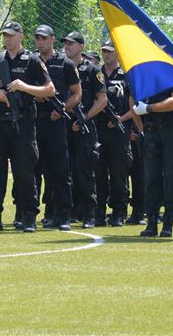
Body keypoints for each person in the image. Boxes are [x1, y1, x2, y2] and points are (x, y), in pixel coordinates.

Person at [0, 22, 54, 232]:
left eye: (11, 35)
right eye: (5, 35)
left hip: (23, 122)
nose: (7, 39)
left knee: (25, 172)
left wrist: (24, 87)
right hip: (0, 122)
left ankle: (29, 215)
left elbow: (50, 89)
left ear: (20, 36)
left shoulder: (32, 60)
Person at [33, 25, 80, 230]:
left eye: (43, 38)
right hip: (33, 121)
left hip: (55, 121)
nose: (40, 42)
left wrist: (63, 110)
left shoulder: (65, 63)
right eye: (37, 38)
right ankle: (32, 213)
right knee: (34, 169)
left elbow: (77, 93)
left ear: (52, 39)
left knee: (59, 170)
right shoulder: (30, 62)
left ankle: (63, 214)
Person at [62, 31, 107, 228]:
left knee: (84, 171)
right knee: (64, 170)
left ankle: (90, 212)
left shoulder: (92, 70)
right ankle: (68, 211)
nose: (68, 46)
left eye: (72, 43)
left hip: (84, 127)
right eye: (66, 43)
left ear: (81, 46)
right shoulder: (61, 66)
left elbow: (102, 100)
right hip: (62, 123)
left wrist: (84, 119)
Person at [131, 85, 173, 238]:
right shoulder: (145, 77)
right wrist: (141, 128)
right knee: (151, 179)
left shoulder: (172, 76)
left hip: (171, 132)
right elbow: (133, 101)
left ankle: (168, 222)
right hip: (151, 132)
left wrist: (149, 108)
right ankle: (152, 222)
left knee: (171, 178)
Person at [96, 39, 134, 227]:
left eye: (110, 51)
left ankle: (119, 212)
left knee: (119, 174)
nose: (106, 54)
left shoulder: (126, 75)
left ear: (118, 53)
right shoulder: (98, 73)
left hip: (120, 131)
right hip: (99, 130)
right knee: (99, 172)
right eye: (104, 51)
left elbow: (135, 105)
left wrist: (121, 119)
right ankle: (99, 211)